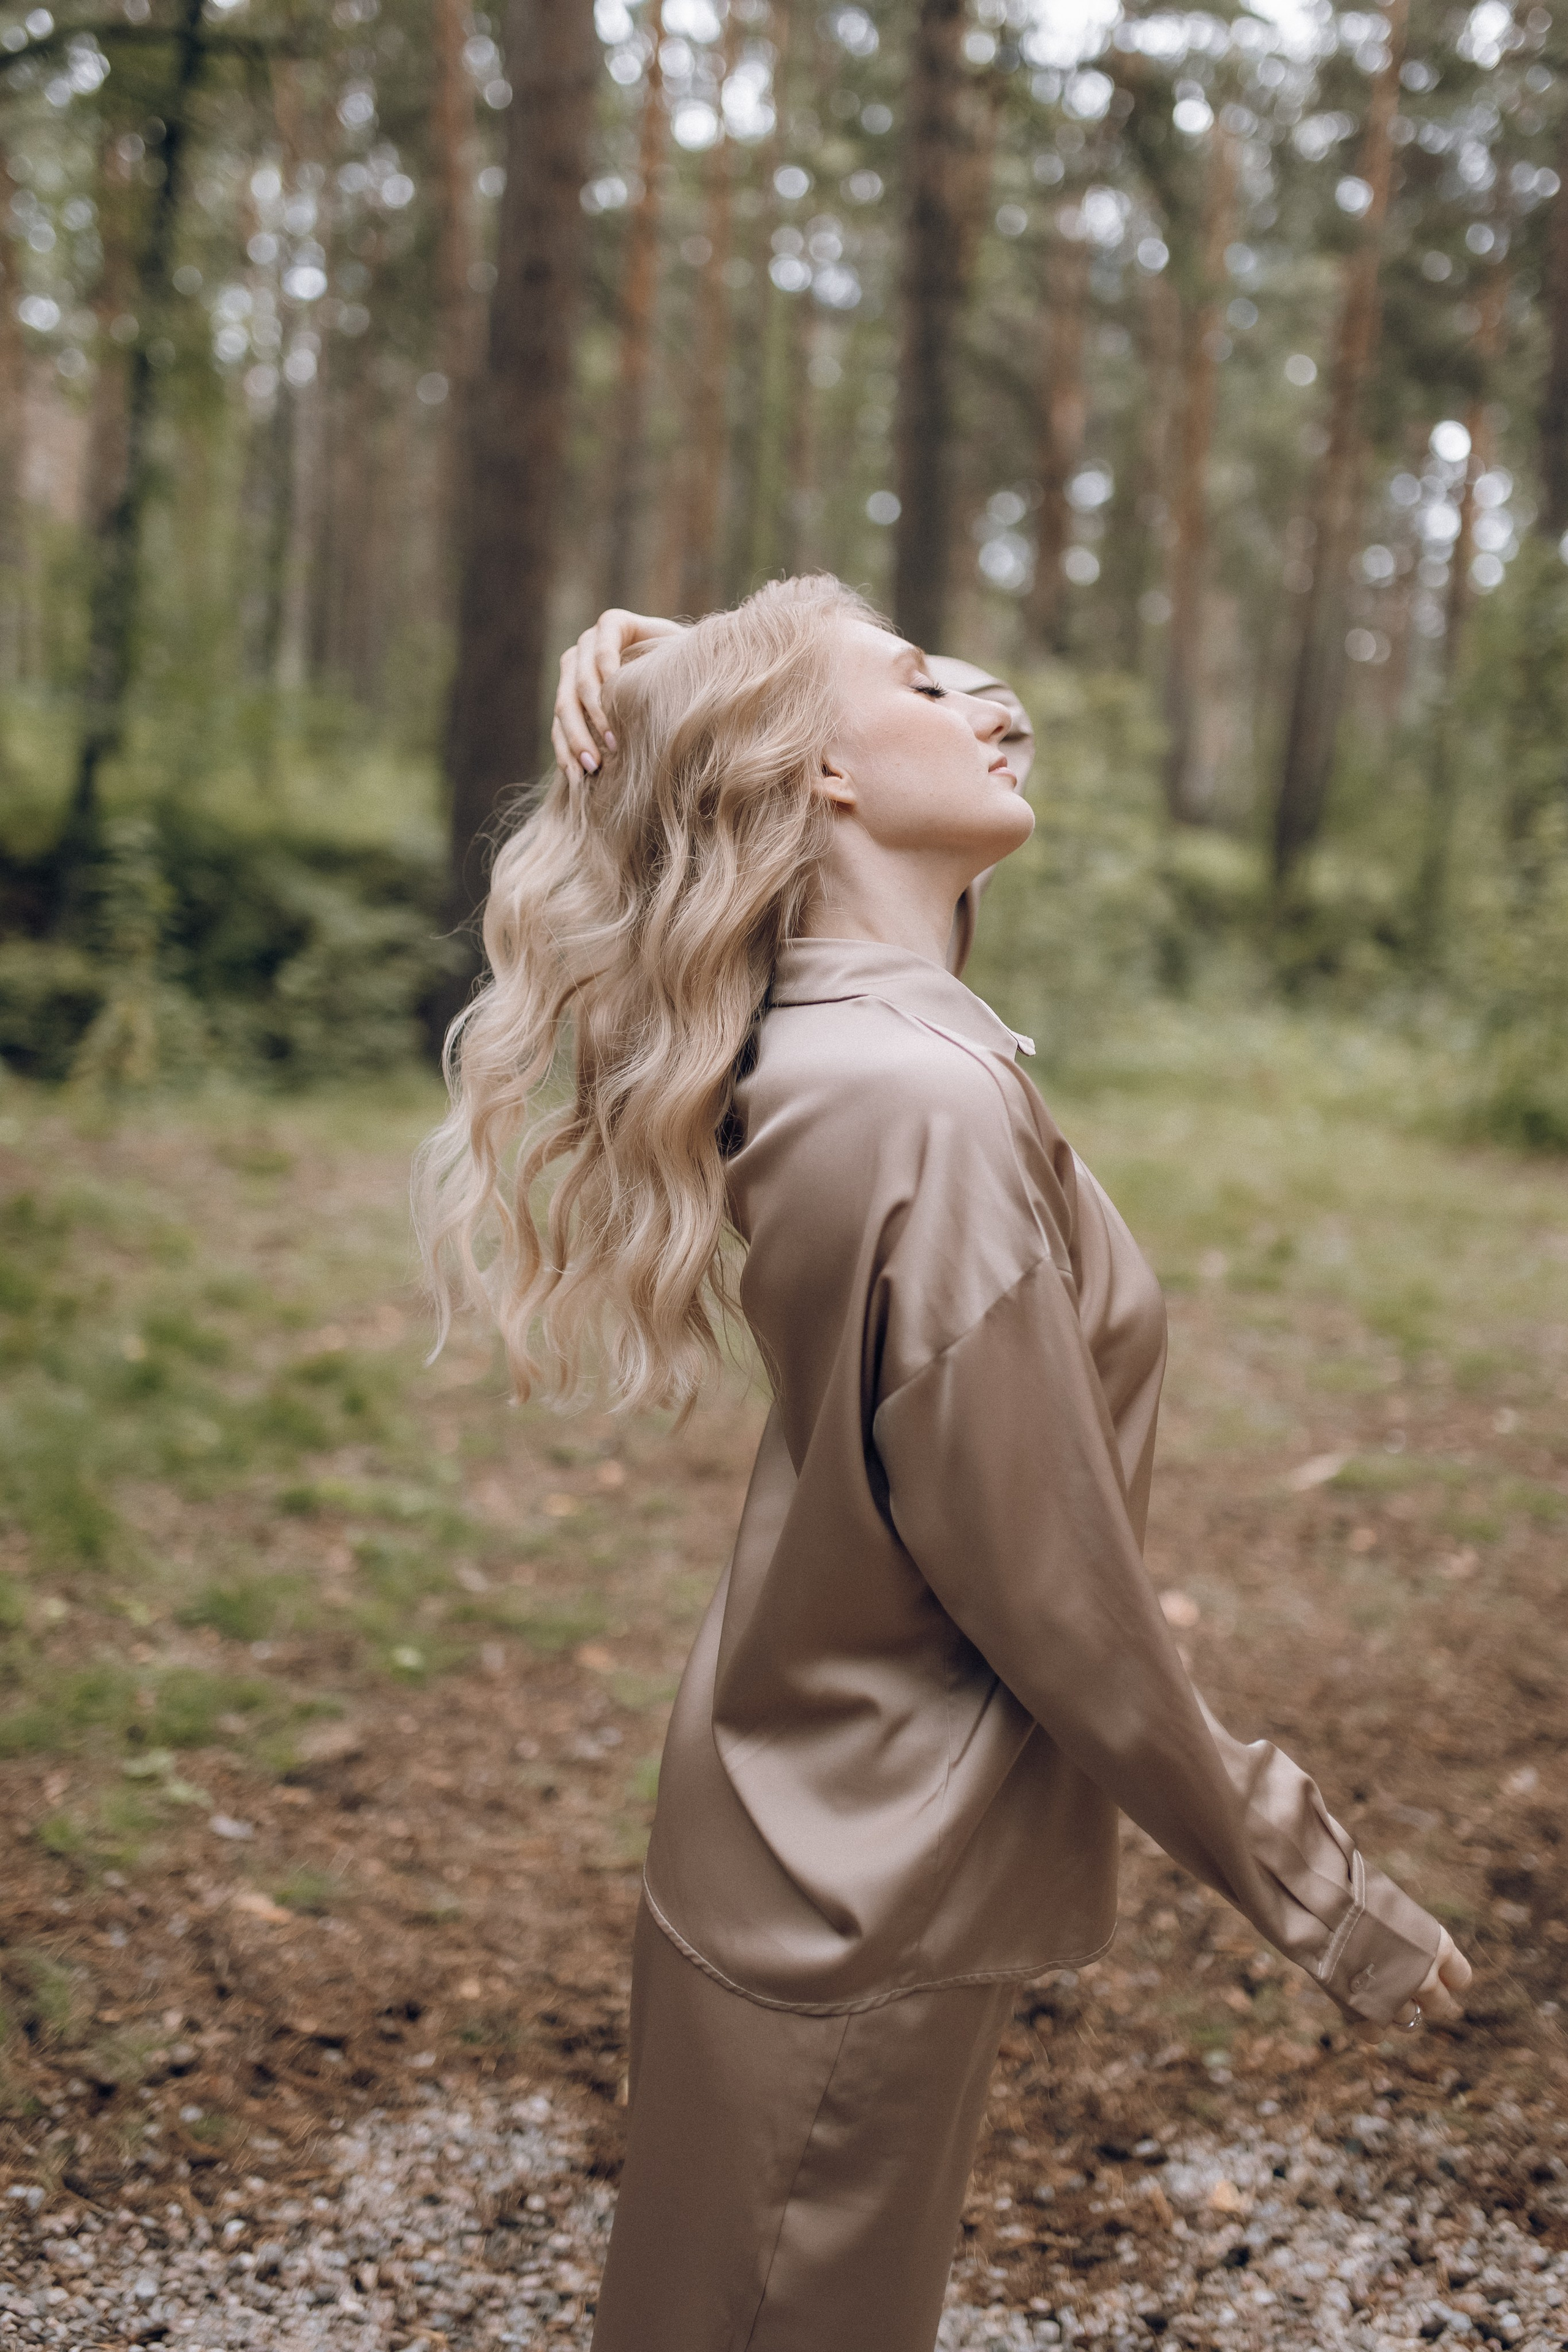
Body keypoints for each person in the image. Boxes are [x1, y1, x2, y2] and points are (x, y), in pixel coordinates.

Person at [419, 578, 1471, 2352]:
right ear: (822, 775)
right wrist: (1315, 1885)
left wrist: (694, 655)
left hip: (815, 1825)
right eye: (922, 681)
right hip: (854, 1878)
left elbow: (960, 739)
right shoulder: (922, 1101)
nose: (992, 706)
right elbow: (1056, 1601)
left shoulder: (860, 1048)